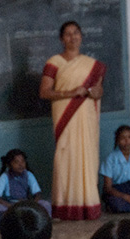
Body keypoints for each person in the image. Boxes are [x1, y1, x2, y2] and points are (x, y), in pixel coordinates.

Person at [40, 20, 104, 221]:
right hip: (65, 118)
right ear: (61, 39)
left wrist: (95, 93)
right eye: (67, 34)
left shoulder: (92, 65)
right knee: (66, 158)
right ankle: (65, 207)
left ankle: (88, 206)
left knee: (87, 157)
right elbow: (44, 92)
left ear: (81, 36)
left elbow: (100, 90)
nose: (72, 37)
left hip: (87, 117)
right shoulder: (54, 63)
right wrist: (71, 92)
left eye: (76, 33)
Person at [0, 149, 53, 216]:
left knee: (46, 204)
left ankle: (43, 223)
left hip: (27, 204)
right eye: (16, 162)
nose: (21, 164)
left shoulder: (29, 174)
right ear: (9, 164)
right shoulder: (5, 176)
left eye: (23, 161)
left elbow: (38, 193)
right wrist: (9, 206)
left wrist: (34, 204)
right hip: (11, 205)